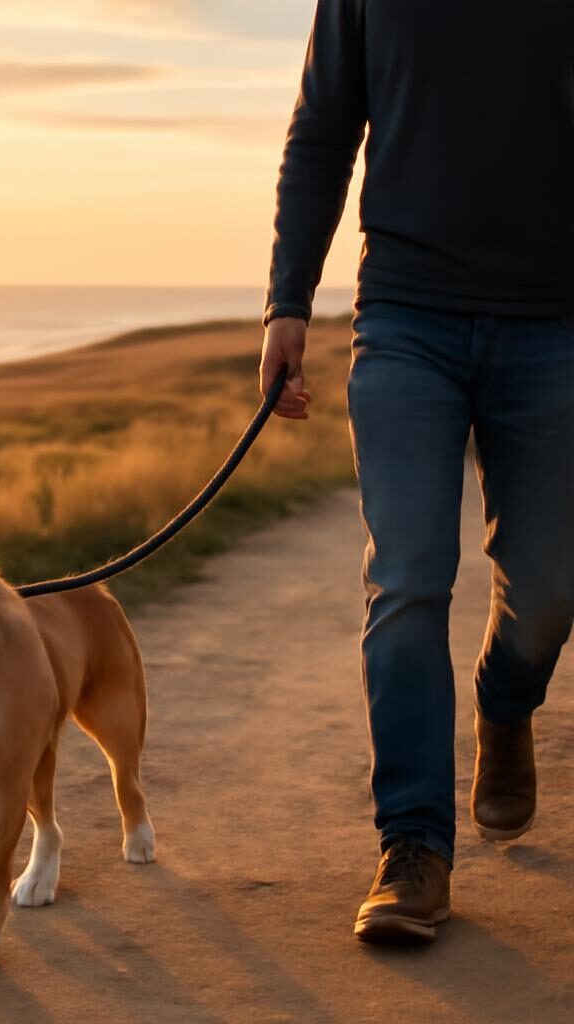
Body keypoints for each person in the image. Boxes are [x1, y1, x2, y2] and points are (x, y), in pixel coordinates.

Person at [259, 0, 574, 943]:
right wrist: (288, 301)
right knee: (406, 581)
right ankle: (414, 850)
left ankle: (506, 698)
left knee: (555, 584)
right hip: (405, 320)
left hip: (557, 324)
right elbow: (321, 129)